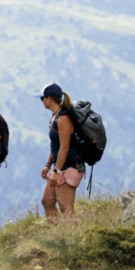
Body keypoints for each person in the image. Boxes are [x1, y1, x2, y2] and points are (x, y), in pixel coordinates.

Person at [35, 82, 83, 223]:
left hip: (70, 166)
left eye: (42, 98)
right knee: (47, 202)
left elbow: (64, 147)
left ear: (49, 99)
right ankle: (56, 235)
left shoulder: (63, 118)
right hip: (60, 166)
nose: (41, 101)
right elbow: (56, 145)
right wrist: (48, 164)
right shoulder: (55, 116)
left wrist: (56, 171)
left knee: (65, 208)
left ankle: (73, 236)